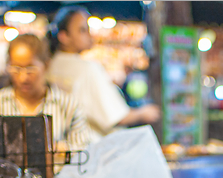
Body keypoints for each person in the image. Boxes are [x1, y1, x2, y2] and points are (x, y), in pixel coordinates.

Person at [46, 6, 159, 142]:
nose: (90, 35)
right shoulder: (87, 69)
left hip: (61, 146)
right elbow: (116, 116)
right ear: (63, 36)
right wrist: (144, 113)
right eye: (82, 30)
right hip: (90, 149)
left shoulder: (51, 66)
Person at [0, 34, 91, 152]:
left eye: (30, 69)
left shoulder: (68, 105)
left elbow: (83, 152)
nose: (23, 78)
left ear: (46, 65)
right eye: (16, 69)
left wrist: (63, 151)